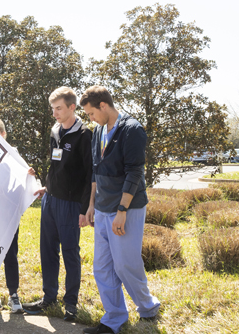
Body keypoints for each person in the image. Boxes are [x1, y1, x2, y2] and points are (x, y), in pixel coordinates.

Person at [80, 86, 160, 334]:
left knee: (125, 264)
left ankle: (148, 307)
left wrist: (122, 210)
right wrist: (92, 205)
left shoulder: (132, 130)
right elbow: (96, 170)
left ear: (103, 105)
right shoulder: (97, 132)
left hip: (127, 208)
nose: (90, 119)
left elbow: (134, 172)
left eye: (91, 113)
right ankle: (114, 318)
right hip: (102, 209)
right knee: (102, 267)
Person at [23, 87, 92, 321]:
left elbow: (88, 175)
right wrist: (47, 187)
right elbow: (55, 165)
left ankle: (70, 303)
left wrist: (84, 209)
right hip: (50, 201)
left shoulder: (84, 135)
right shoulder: (54, 130)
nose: (55, 114)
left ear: (72, 107)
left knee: (70, 252)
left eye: (59, 108)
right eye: (53, 109)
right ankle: (48, 298)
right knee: (48, 250)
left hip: (71, 205)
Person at [0, 117, 36, 316]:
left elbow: (21, 183)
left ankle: (14, 296)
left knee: (10, 255)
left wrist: (28, 175)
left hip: (9, 214)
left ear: (4, 134)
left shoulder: (15, 157)